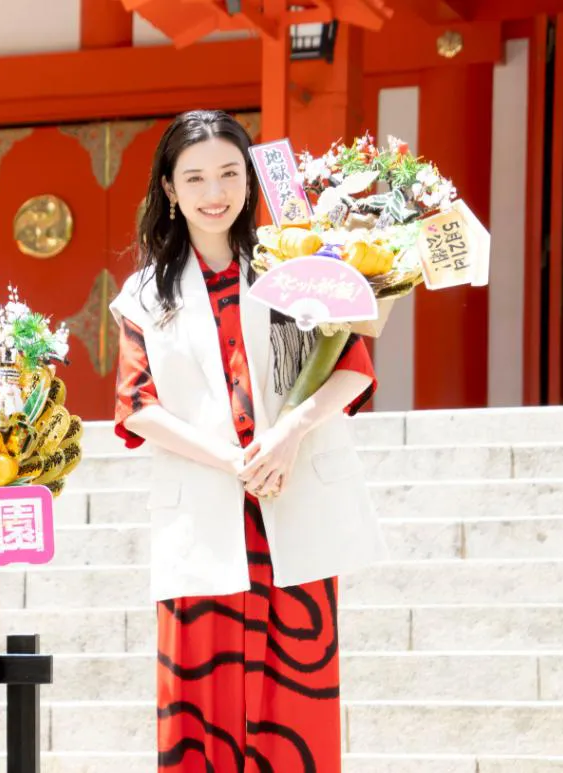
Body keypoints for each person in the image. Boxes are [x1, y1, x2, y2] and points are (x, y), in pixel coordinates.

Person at [109, 109, 387, 772]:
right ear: (169, 189)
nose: (215, 191)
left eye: (230, 172)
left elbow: (353, 367)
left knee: (298, 704)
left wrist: (288, 435)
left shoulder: (296, 266)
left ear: (251, 179)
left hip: (290, 506)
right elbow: (137, 406)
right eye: (196, 176)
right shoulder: (143, 294)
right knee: (199, 705)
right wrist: (234, 461)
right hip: (205, 511)